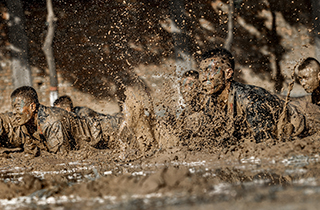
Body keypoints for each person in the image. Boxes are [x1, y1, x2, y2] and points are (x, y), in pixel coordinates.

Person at [196, 47, 306, 143]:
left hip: (305, 119)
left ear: (228, 73)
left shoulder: (249, 100)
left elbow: (266, 144)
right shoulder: (210, 102)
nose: (204, 78)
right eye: (201, 72)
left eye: (209, 71)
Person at [11, 86, 103, 154]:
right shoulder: (27, 123)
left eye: (17, 108)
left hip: (105, 132)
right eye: (13, 108)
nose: (14, 112)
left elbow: (62, 156)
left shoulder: (51, 122)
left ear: (32, 107)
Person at [53, 95, 123, 149]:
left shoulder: (83, 114)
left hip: (115, 122)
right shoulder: (72, 119)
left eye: (58, 111)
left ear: (67, 109)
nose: (57, 114)